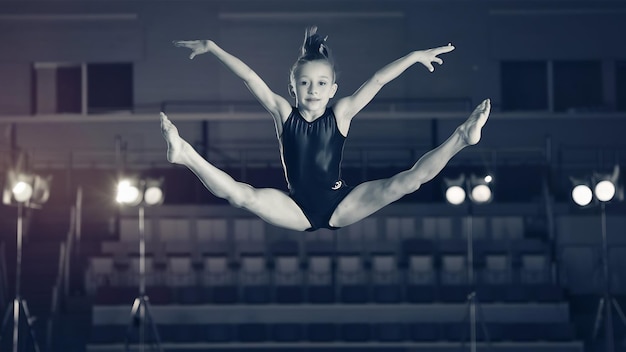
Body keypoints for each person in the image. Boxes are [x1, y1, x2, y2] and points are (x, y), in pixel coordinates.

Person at [162, 26, 490, 232]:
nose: (313, 89)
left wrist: (414, 56)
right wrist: (212, 47)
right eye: (304, 83)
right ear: (292, 88)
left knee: (403, 184)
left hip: (340, 201)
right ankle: (185, 154)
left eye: (321, 83)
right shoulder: (282, 112)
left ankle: (461, 138)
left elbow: (377, 80)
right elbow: (249, 77)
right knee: (242, 196)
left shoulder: (341, 113)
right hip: (296, 207)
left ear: (333, 89)